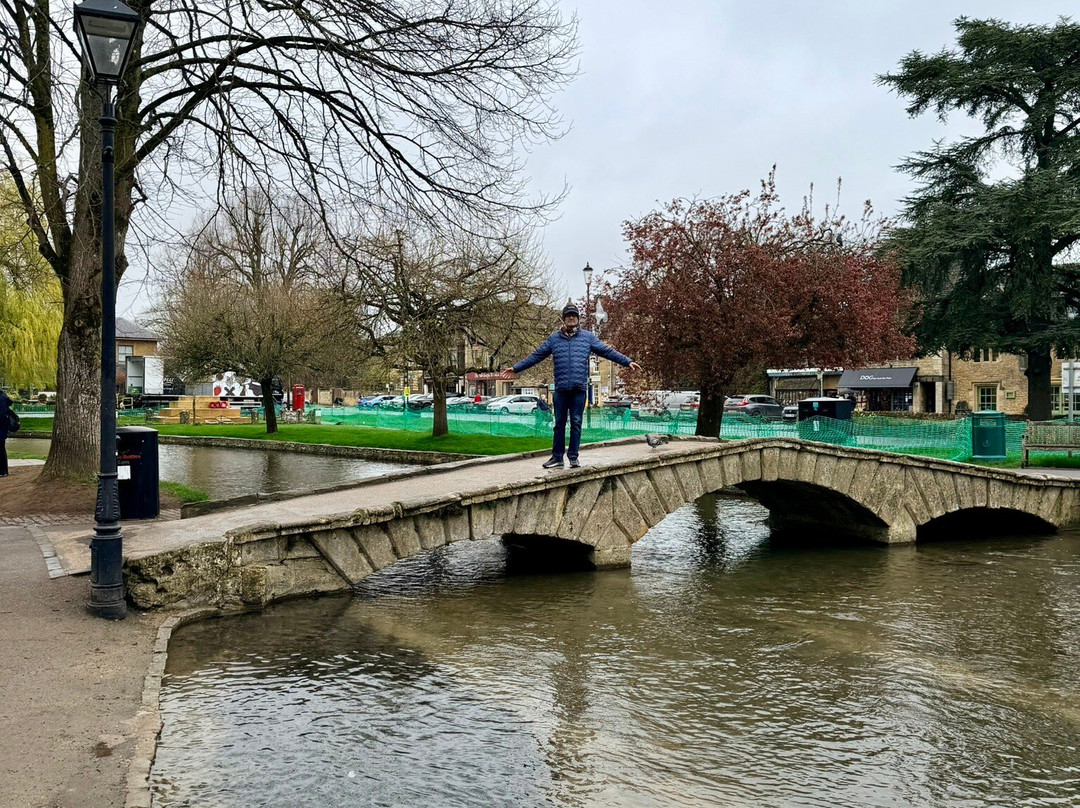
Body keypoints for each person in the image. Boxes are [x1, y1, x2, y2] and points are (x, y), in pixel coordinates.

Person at [505, 302, 640, 469]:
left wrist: (627, 361)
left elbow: (607, 351)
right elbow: (537, 355)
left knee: (576, 422)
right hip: (561, 389)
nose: (571, 318)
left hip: (578, 389)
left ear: (577, 319)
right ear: (564, 319)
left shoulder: (587, 338)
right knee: (559, 424)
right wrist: (517, 368)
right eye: (568, 316)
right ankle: (557, 457)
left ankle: (573, 457)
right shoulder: (554, 339)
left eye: (573, 315)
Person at [0, 390, 12, 477]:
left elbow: (2, 415)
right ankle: (3, 470)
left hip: (1, 428)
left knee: (1, 449)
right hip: (2, 428)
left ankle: (3, 471)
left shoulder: (1, 398)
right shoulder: (3, 396)